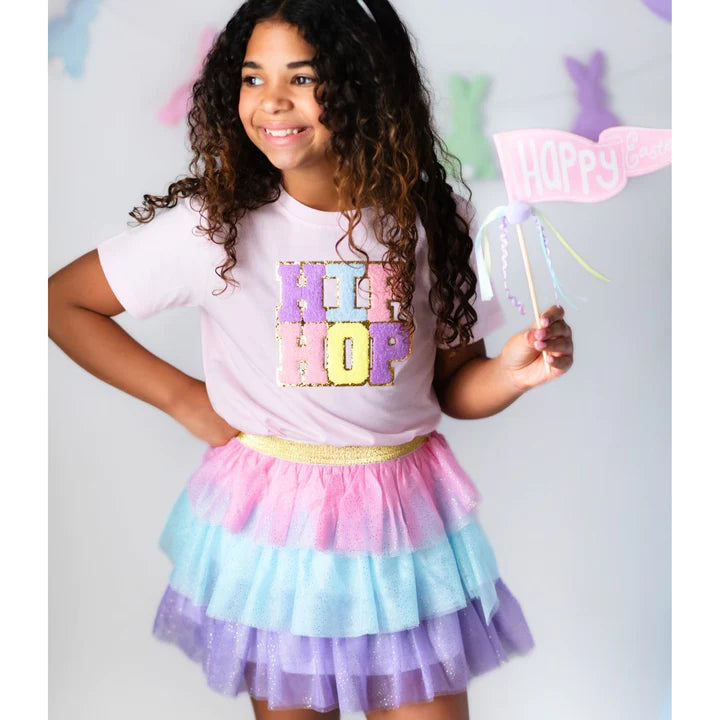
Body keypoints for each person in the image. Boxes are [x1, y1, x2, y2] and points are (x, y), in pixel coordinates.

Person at [48, 1, 574, 718]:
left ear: (361, 85)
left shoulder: (429, 218)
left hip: (403, 520)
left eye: (302, 77)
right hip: (278, 524)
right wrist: (183, 398)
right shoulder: (216, 226)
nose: (272, 101)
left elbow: (456, 386)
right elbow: (62, 303)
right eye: (253, 77)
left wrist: (512, 374)